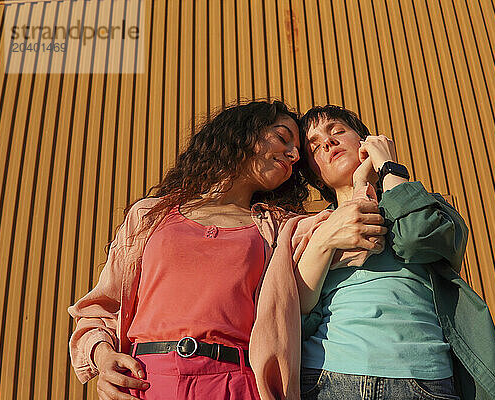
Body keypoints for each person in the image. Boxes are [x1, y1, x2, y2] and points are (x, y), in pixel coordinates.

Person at [67, 100, 383, 400]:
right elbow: (99, 310)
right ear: (243, 134)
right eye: (282, 138)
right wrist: (103, 355)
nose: (293, 155)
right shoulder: (150, 215)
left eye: (297, 151)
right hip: (146, 379)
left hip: (238, 382)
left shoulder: (280, 228)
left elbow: (358, 225)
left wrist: (366, 169)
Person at [294, 105, 495, 400]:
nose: (327, 142)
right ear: (317, 176)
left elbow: (416, 236)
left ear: (366, 143)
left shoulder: (428, 207)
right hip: (327, 376)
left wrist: (388, 167)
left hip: (423, 378)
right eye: (314, 146)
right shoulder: (311, 229)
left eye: (337, 131)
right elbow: (300, 313)